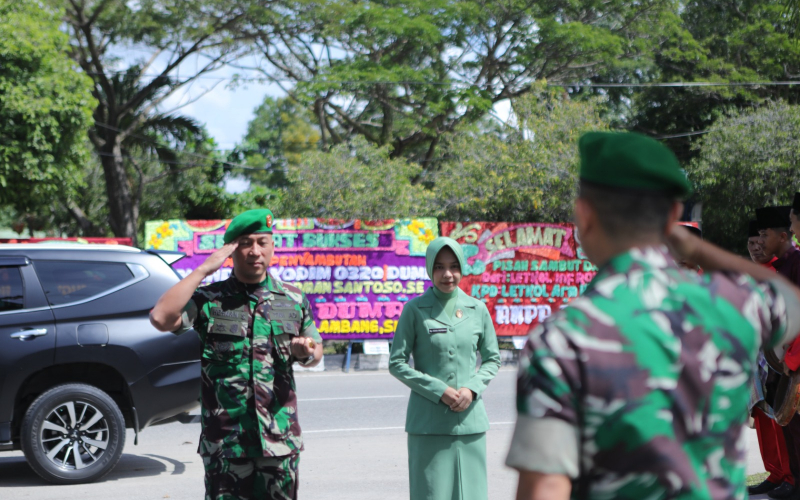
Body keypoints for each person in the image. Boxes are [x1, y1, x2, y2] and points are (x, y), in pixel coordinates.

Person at [505, 131, 800, 500]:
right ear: (673, 216)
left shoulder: (563, 338)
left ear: (584, 214)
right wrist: (698, 249)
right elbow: (793, 304)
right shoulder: (731, 305)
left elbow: (544, 489)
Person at [149, 208, 323, 500]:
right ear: (231, 250)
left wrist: (305, 352)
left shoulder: (293, 299)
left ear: (272, 246)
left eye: (262, 242)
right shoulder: (209, 299)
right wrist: (203, 270)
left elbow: (316, 350)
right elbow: (160, 317)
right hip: (226, 443)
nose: (255, 251)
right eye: (245, 243)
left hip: (279, 440)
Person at [389, 236, 501, 500]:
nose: (447, 274)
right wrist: (438, 390)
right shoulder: (414, 310)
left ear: (462, 267)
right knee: (431, 494)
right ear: (429, 268)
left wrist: (472, 389)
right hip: (428, 424)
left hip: (470, 423)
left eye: (454, 266)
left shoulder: (478, 309)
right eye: (439, 267)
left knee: (472, 494)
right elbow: (396, 363)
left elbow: (492, 359)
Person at [746, 219, 794, 497]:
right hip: (753, 358)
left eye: (761, 240)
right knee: (761, 416)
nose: (756, 247)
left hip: (778, 358)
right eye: (751, 242)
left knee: (780, 418)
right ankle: (774, 473)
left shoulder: (783, 269)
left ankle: (788, 475)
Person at [757, 205, 800, 500]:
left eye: (765, 234)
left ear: (783, 236)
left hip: (793, 361)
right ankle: (793, 483)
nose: (760, 241)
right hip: (781, 363)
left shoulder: (797, 263)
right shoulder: (781, 267)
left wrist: (791, 359)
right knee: (789, 427)